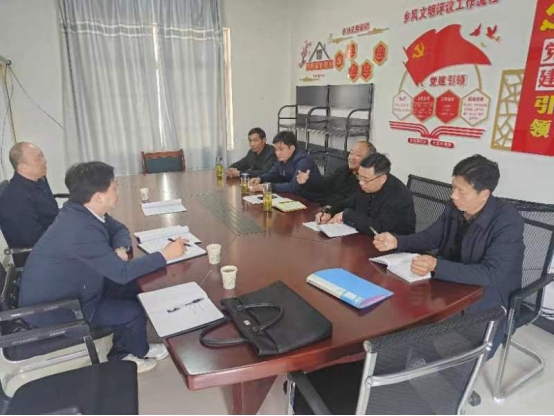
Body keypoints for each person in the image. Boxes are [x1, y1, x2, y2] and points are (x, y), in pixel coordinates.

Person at [18, 162, 187, 373]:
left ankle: (133, 344)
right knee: (133, 311)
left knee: (133, 288)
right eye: (114, 187)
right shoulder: (79, 229)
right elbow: (122, 272)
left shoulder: (83, 211)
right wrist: (165, 255)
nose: (118, 191)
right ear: (98, 197)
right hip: (59, 310)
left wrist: (120, 247)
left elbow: (119, 229)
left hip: (75, 287)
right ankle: (127, 355)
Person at [373, 155, 524, 355]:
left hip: (487, 298)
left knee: (425, 337)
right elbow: (432, 237)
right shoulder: (455, 207)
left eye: (461, 191)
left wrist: (437, 266)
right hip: (450, 284)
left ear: (484, 194)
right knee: (397, 310)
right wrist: (398, 241)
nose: (453, 196)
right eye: (453, 187)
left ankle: (417, 360)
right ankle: (406, 356)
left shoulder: (508, 221)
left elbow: (491, 274)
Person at [315, 153, 415, 236]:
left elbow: (379, 228)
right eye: (359, 177)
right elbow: (349, 202)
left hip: (393, 245)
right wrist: (329, 212)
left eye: (365, 179)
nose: (361, 183)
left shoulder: (399, 195)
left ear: (382, 179)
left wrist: (347, 215)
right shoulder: (365, 185)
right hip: (363, 237)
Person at [0, 142, 59, 250]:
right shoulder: (16, 199)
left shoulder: (38, 180)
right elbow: (34, 239)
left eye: (42, 156)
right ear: (23, 167)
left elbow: (51, 213)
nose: (44, 161)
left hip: (56, 230)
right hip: (43, 251)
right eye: (38, 158)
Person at [296, 140, 376, 207]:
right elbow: (326, 184)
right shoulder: (343, 170)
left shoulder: (368, 182)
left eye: (358, 155)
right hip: (327, 211)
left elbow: (351, 204)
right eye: (351, 153)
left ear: (370, 159)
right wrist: (308, 180)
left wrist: (331, 210)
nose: (351, 158)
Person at [248, 131, 324, 201]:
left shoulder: (303, 161)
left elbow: (294, 187)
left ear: (292, 148)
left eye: (281, 149)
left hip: (311, 201)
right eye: (276, 149)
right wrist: (260, 178)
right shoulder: (283, 158)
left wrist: (267, 187)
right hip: (293, 197)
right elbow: (273, 172)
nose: (277, 153)